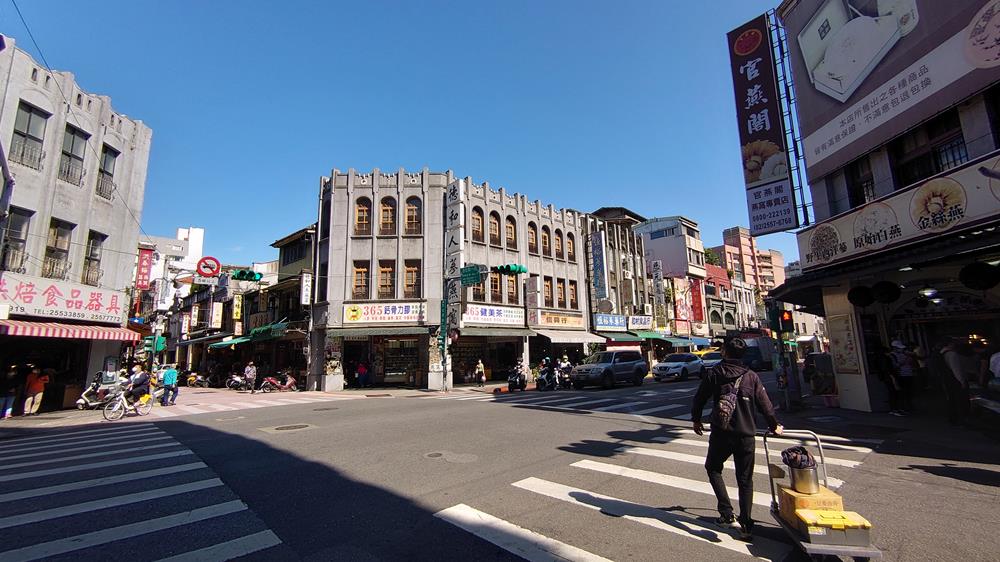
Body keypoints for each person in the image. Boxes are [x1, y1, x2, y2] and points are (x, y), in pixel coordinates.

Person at [692, 338, 782, 541]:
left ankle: (726, 513)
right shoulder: (751, 376)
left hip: (721, 432)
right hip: (746, 433)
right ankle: (746, 524)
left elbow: (699, 398)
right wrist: (774, 425)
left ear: (724, 352)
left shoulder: (714, 373)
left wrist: (696, 420)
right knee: (745, 480)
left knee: (713, 468)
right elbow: (765, 404)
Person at [941, 339, 975, 425]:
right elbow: (956, 369)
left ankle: (953, 418)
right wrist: (962, 381)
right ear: (950, 344)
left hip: (946, 380)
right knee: (960, 400)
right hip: (955, 381)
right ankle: (962, 418)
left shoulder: (941, 354)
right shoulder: (952, 354)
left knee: (952, 399)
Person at [889, 340, 916, 414]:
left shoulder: (904, 354)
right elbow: (894, 366)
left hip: (909, 374)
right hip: (901, 375)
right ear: (894, 348)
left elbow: (912, 361)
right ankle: (903, 407)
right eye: (898, 348)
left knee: (909, 391)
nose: (900, 349)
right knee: (902, 392)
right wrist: (904, 361)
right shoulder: (892, 355)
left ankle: (909, 406)